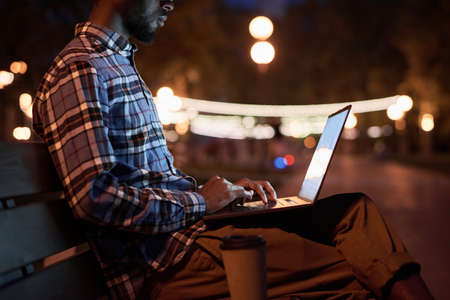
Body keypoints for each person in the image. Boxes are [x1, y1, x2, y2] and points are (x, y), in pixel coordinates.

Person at [32, 0, 433, 299]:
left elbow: (147, 183)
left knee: (353, 212)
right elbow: (93, 198)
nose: (171, 3)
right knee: (358, 270)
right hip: (168, 266)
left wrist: (223, 196)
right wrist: (201, 205)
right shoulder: (81, 68)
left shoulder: (116, 64)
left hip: (190, 238)